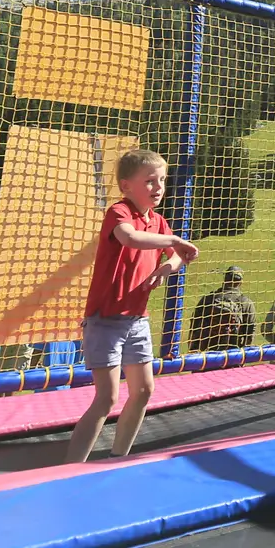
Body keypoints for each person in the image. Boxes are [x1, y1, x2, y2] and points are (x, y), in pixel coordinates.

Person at [64, 149, 198, 464]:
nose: (158, 187)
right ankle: (70, 467)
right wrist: (173, 241)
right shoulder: (119, 211)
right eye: (150, 181)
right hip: (106, 320)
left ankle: (118, 457)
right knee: (107, 398)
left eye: (162, 180)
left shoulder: (159, 221)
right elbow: (129, 238)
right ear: (126, 186)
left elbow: (177, 257)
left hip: (137, 320)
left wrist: (167, 267)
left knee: (143, 391)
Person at [188, 265, 257, 352]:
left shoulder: (208, 299)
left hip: (208, 352)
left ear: (225, 279)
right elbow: (250, 331)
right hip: (233, 353)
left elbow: (194, 324)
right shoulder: (246, 303)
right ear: (240, 282)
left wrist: (193, 348)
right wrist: (244, 353)